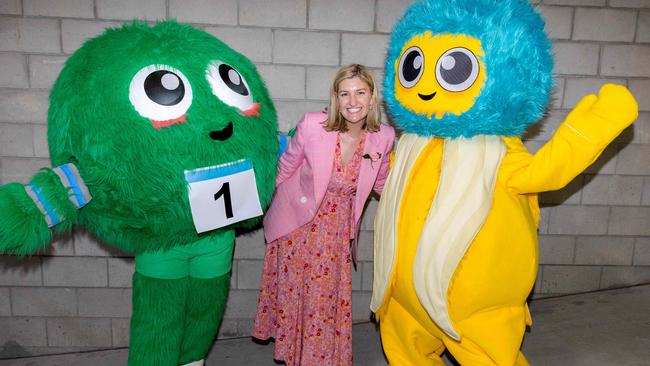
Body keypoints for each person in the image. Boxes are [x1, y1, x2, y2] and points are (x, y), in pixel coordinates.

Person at [252, 64, 395, 365]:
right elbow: (285, 169)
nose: (352, 101)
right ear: (335, 98)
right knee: (300, 300)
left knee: (323, 302)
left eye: (360, 93)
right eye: (345, 94)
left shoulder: (383, 137)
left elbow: (383, 182)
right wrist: (251, 201)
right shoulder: (312, 126)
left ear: (372, 98)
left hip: (337, 232)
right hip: (298, 226)